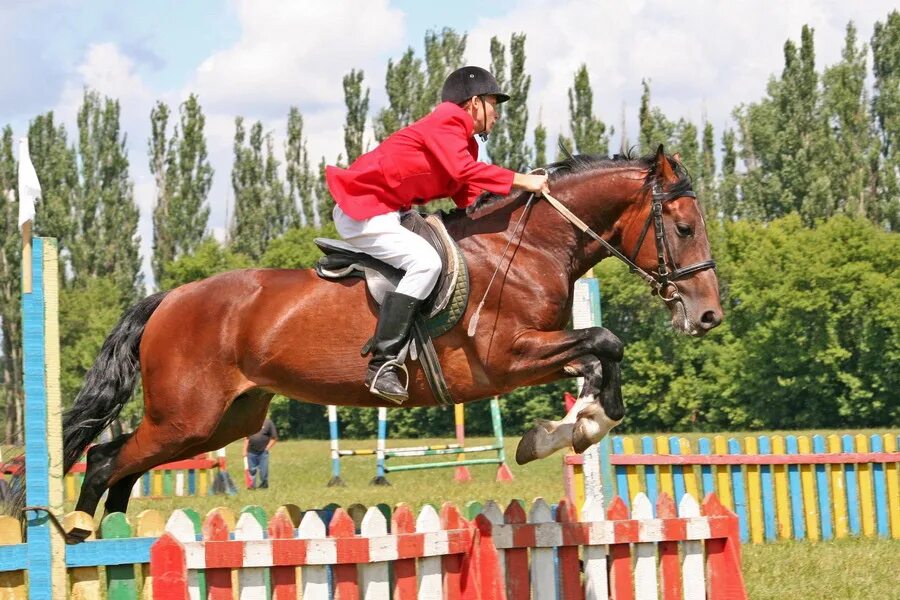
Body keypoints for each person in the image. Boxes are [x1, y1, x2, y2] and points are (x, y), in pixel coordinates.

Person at [326, 65, 550, 404]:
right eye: (494, 104)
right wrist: (522, 179)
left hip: (393, 212)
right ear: (475, 102)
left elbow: (466, 196)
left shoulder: (465, 142)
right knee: (426, 264)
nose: (498, 115)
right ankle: (382, 363)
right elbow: (462, 172)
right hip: (365, 210)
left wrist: (519, 203)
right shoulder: (447, 120)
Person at [243, 416, 277, 489]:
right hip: (251, 452)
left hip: (263, 453)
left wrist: (267, 448)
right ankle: (252, 486)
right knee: (251, 470)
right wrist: (244, 450)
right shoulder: (250, 422)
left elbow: (274, 438)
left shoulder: (268, 422)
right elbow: (247, 438)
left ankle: (264, 486)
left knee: (263, 471)